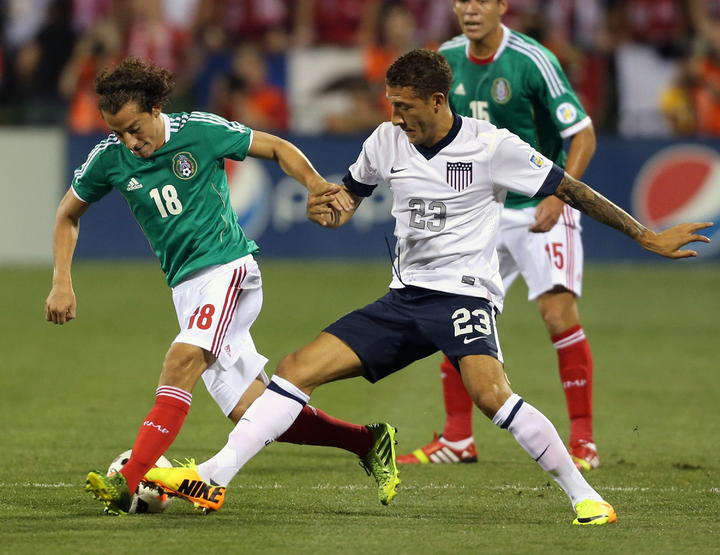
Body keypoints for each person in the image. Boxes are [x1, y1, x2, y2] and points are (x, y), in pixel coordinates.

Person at [144, 49, 711, 525]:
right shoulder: (385, 141)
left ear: (438, 101)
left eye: (406, 107)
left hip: (464, 295)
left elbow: (571, 189)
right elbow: (350, 197)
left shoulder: (493, 146)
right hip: (404, 299)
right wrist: (332, 210)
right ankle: (214, 477)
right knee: (296, 369)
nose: (396, 116)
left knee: (491, 395)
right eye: (392, 104)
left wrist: (645, 235)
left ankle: (585, 497)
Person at [44, 56, 399, 516]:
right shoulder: (109, 159)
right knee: (253, 411)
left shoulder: (199, 131)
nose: (129, 142)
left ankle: (128, 481)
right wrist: (62, 281)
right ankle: (367, 441)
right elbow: (67, 214)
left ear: (155, 108)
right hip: (186, 289)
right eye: (118, 133)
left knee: (180, 361)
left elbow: (276, 147)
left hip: (229, 270)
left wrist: (314, 184)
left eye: (134, 128)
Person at [398, 0, 602, 470]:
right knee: (453, 313)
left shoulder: (533, 60)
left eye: (482, 0)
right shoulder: (446, 59)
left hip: (539, 206)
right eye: (462, 1)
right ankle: (457, 439)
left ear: (501, 6)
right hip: (481, 212)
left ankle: (584, 442)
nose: (471, 9)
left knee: (557, 313)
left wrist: (560, 195)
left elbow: (583, 133)